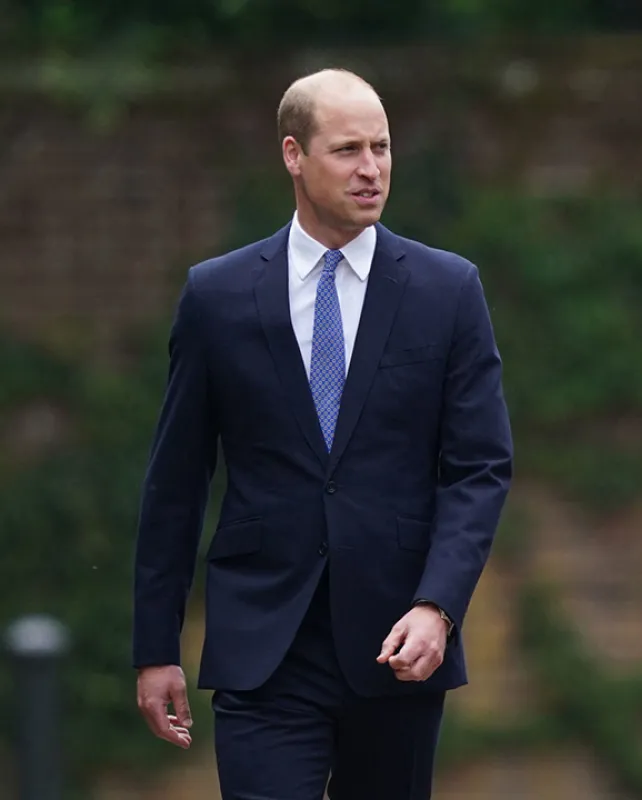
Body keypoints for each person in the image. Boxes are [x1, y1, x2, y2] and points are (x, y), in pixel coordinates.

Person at [132, 68, 513, 799]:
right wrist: (156, 647)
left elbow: (479, 469)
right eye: (347, 150)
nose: (371, 170)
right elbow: (175, 482)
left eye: (382, 147)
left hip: (396, 644)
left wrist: (439, 606)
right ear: (292, 155)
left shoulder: (447, 290)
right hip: (263, 645)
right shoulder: (217, 297)